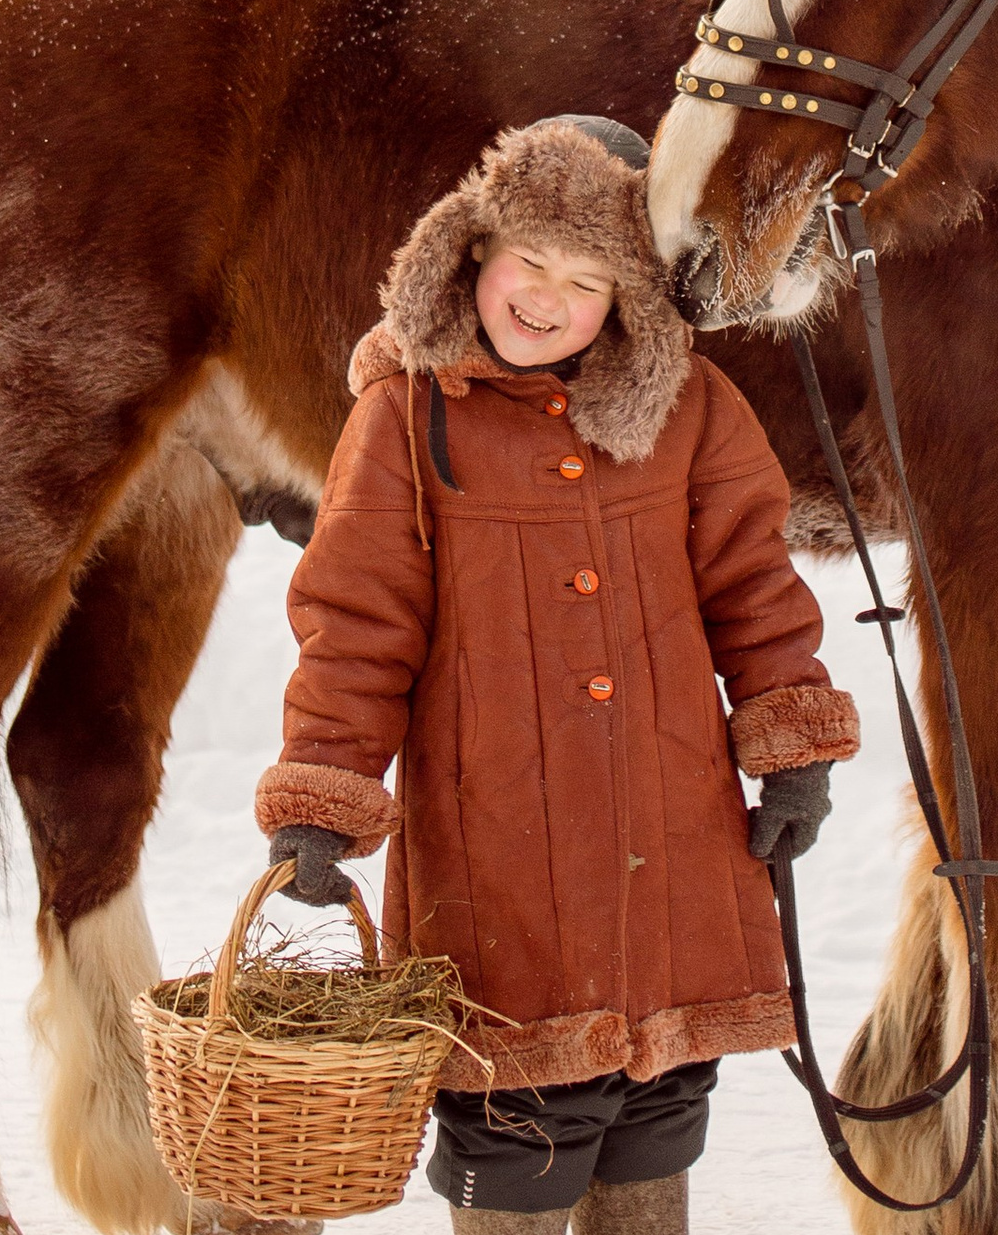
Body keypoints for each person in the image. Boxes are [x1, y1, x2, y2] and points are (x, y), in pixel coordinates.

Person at [253, 115, 861, 1235]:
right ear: (473, 252)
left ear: (627, 298)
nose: (544, 296)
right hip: (499, 868)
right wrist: (323, 800)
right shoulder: (403, 418)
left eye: (584, 279)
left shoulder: (689, 410)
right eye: (528, 260)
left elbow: (754, 586)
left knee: (660, 1108)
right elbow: (353, 623)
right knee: (516, 1121)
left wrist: (791, 751)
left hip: (671, 838)